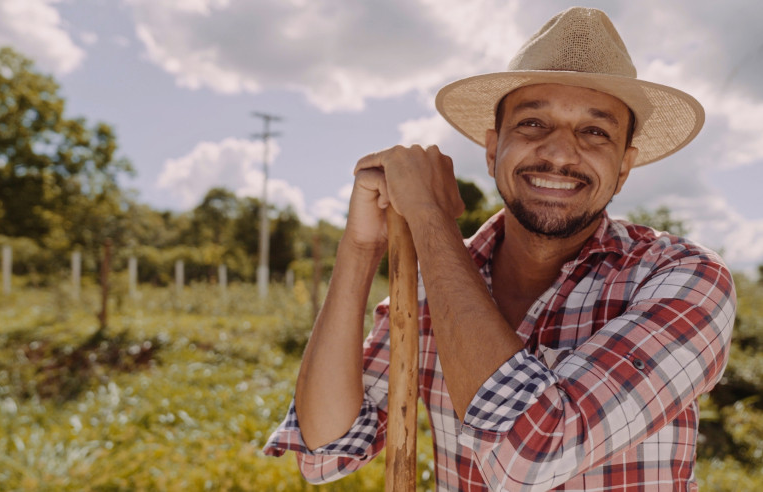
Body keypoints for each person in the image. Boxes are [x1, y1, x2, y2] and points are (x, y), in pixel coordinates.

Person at [264, 7, 736, 491]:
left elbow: (533, 457)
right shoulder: (428, 290)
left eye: (595, 132)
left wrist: (429, 217)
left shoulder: (683, 278)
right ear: (492, 150)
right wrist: (362, 248)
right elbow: (326, 451)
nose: (558, 153)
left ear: (624, 166)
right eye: (533, 124)